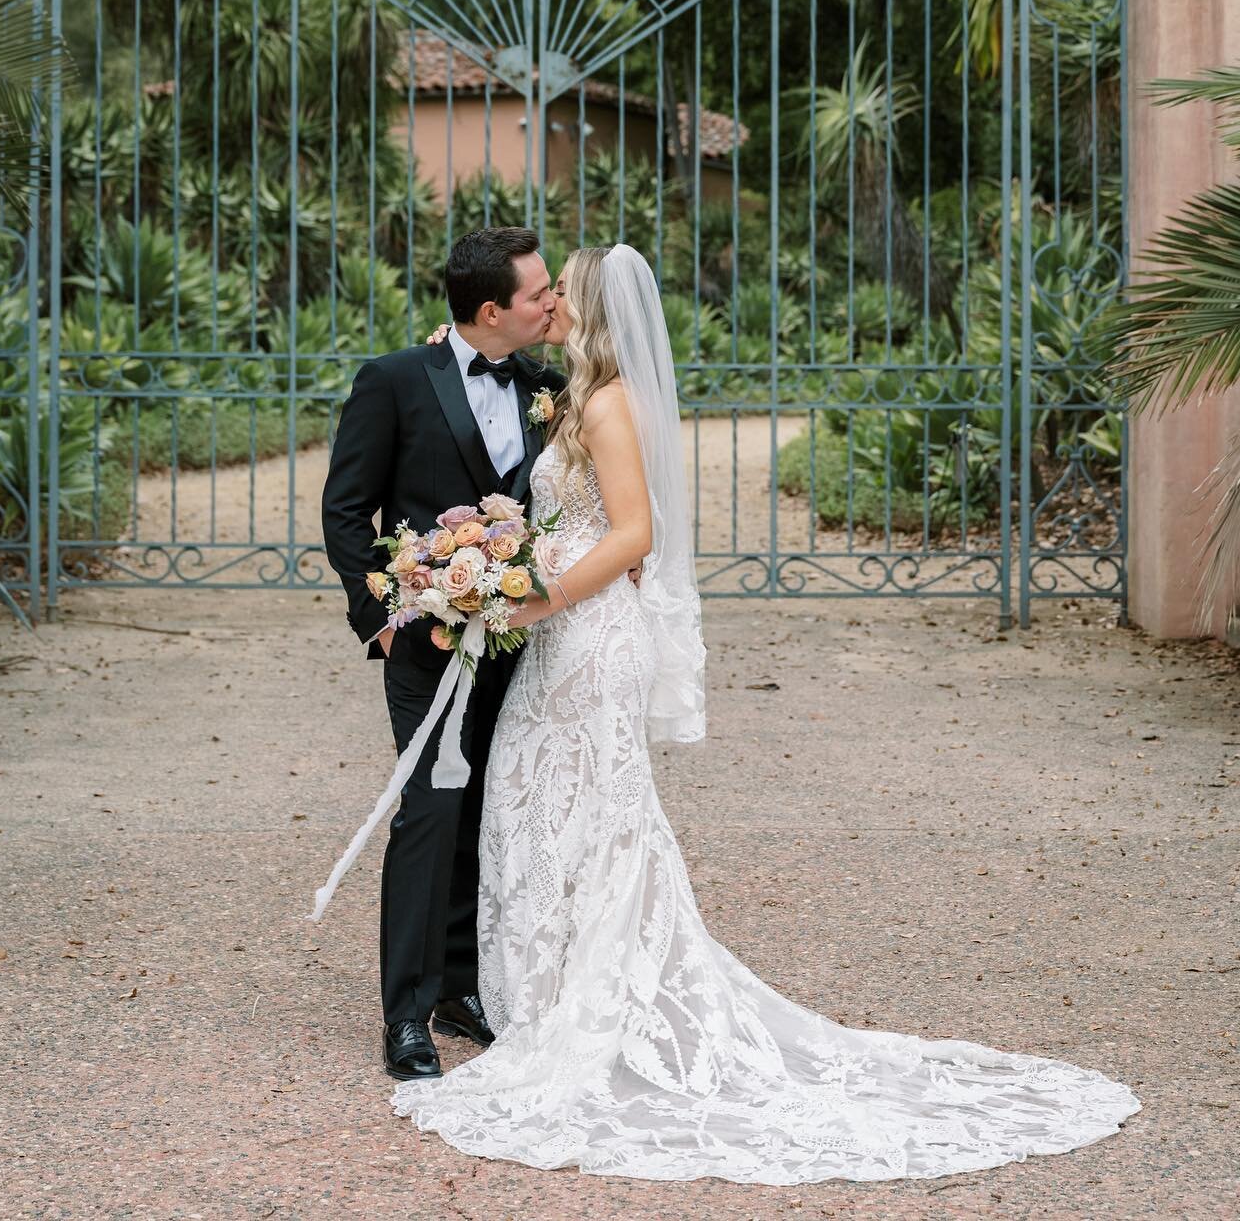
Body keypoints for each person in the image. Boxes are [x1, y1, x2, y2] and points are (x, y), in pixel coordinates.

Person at [390, 242, 1140, 1186]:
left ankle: (597, 995)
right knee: (541, 802)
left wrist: (532, 600)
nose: (547, 306)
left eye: (557, 294)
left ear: (584, 307)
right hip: (560, 638)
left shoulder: (611, 404)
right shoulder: (571, 394)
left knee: (594, 807)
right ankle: (545, 991)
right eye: (538, 296)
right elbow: (514, 426)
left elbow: (634, 534)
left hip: (586, 636)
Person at [320, 226, 564, 1082]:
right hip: (426, 640)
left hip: (527, 641)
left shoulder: (548, 384)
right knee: (428, 812)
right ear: (491, 309)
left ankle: (465, 984)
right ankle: (408, 1016)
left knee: (493, 809)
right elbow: (348, 510)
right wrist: (379, 615)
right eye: (541, 291)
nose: (555, 301)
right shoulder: (394, 380)